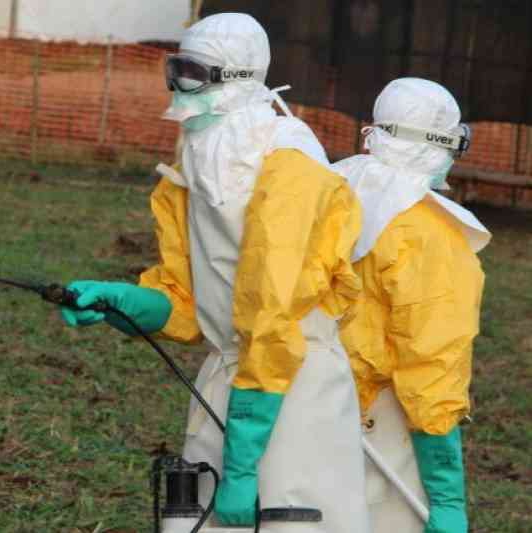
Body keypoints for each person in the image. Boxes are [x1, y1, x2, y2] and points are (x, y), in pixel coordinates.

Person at [60, 13, 369, 532]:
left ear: (233, 79)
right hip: (229, 377)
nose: (176, 87)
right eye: (174, 68)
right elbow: (187, 296)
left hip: (292, 389)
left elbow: (273, 313)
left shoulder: (288, 161)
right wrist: (124, 303)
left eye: (190, 72)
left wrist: (244, 465)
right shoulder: (198, 163)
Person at [333, 77, 490, 533]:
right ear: (443, 145)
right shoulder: (431, 235)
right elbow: (432, 364)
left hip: (309, 401)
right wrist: (445, 491)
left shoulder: (330, 190)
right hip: (382, 426)